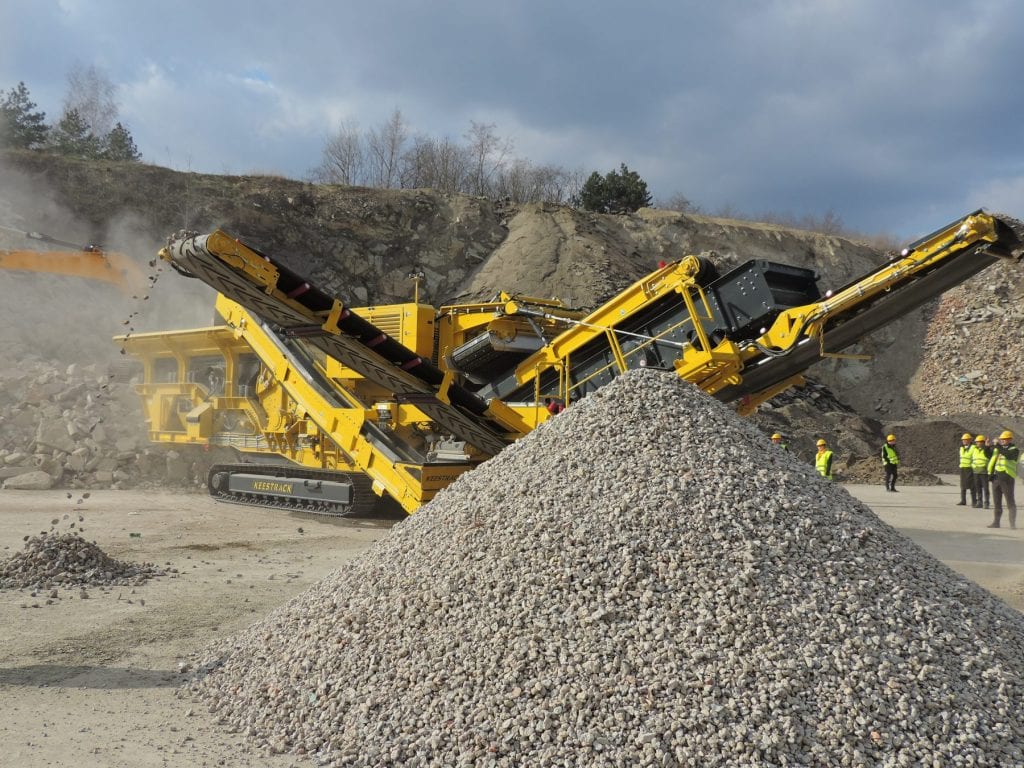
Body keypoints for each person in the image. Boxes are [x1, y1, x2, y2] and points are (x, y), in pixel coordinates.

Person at [987, 430, 1019, 529]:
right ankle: (996, 522)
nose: (1002, 441)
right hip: (997, 478)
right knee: (997, 502)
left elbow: (1008, 455)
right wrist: (987, 447)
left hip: (1007, 478)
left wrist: (997, 446)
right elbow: (989, 456)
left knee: (1010, 502)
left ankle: (1012, 524)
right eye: (1001, 439)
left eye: (1004, 439)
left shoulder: (1014, 450)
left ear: (1010, 439)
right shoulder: (998, 449)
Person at [971, 434, 992, 509]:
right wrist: (973, 466)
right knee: (978, 488)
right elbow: (972, 459)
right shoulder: (975, 449)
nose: (977, 443)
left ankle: (986, 503)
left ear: (983, 442)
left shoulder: (986, 450)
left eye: (979, 442)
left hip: (984, 472)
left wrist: (987, 446)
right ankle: (979, 502)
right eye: (976, 442)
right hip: (976, 471)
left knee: (985, 488)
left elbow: (990, 456)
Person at [957, 433, 977, 506]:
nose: (964, 441)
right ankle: (963, 501)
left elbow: (975, 457)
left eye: (965, 440)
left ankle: (974, 501)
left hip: (970, 468)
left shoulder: (973, 447)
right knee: (962, 485)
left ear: (969, 440)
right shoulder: (961, 448)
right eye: (963, 440)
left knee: (972, 486)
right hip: (963, 468)